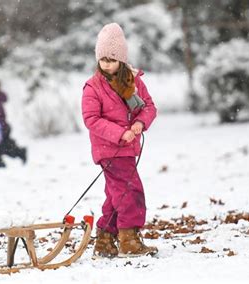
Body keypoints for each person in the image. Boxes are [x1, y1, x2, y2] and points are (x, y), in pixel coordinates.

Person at [81, 23, 158, 258]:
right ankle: (129, 239)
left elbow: (149, 107)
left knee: (117, 195)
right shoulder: (93, 87)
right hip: (109, 150)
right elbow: (91, 119)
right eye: (103, 59)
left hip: (127, 148)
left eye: (112, 59)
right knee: (130, 191)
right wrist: (119, 132)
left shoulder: (134, 83)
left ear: (121, 59)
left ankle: (104, 240)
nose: (107, 64)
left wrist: (138, 124)